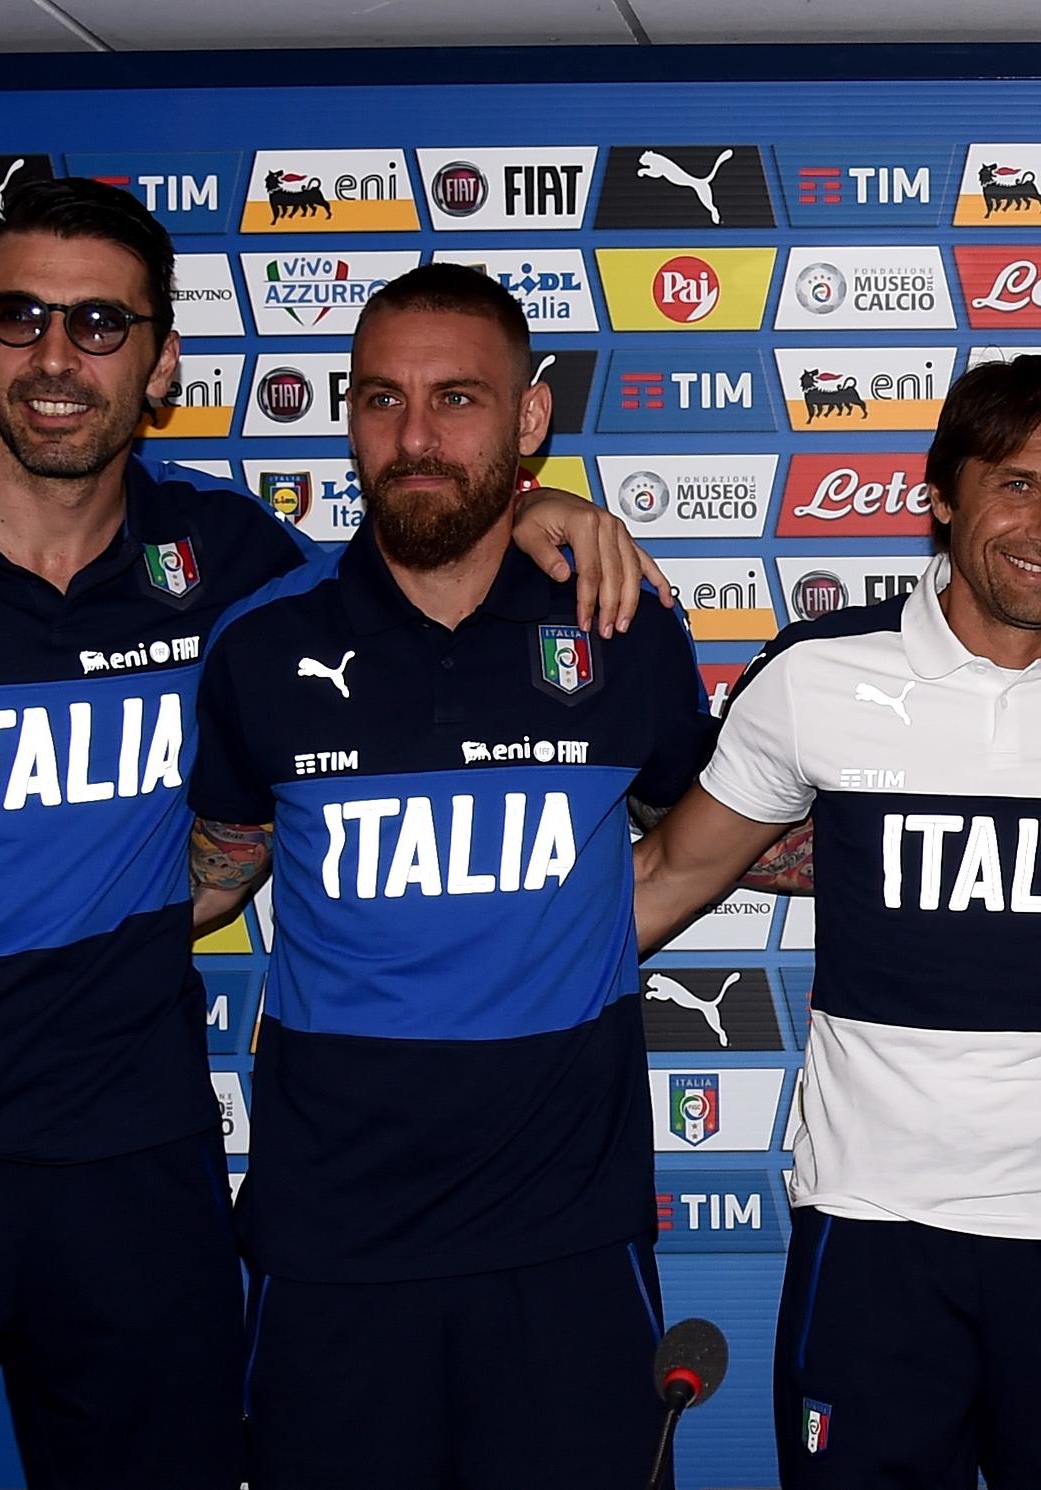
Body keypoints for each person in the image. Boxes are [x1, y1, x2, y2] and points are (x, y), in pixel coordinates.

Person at [0, 180, 661, 1490]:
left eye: (100, 323)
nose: (56, 356)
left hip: (134, 1157)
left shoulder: (224, 559)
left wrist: (540, 510)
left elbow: (409, 559)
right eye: (20, 316)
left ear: (161, 359)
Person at [630, 354, 1041, 1489]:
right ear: (942, 495)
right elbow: (667, 875)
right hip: (873, 1227)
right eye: (1014, 483)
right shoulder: (819, 676)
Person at [181, 264, 709, 1488]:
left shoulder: (620, 627)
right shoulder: (263, 640)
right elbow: (215, 864)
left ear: (529, 420)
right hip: (331, 1252)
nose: (414, 437)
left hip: (567, 1246)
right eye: (381, 399)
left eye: (457, 398)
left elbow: (730, 824)